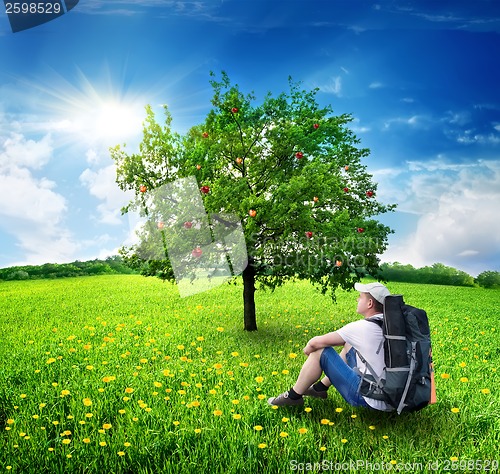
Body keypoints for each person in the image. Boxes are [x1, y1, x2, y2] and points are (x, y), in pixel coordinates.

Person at [267, 282, 394, 412]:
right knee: (349, 343)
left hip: (366, 398)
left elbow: (314, 343)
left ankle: (293, 397)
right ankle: (320, 388)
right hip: (391, 399)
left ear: (370, 303)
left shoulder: (363, 327)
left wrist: (308, 350)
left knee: (320, 351)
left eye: (360, 297)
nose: (357, 299)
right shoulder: (392, 327)